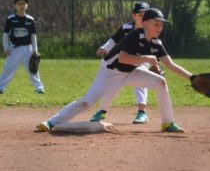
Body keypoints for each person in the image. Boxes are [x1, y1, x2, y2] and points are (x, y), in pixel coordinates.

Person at [36, 8, 195, 133]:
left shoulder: (156, 43)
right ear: (145, 23)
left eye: (161, 24)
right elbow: (123, 59)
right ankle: (51, 122)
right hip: (110, 72)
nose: (159, 27)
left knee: (160, 82)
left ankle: (168, 123)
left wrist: (192, 78)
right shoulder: (135, 35)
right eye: (156, 23)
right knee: (86, 102)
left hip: (130, 72)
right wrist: (146, 59)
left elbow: (171, 65)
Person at [90, 2, 151, 124]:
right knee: (113, 84)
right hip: (123, 61)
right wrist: (105, 47)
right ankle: (102, 111)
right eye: (140, 14)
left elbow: (154, 49)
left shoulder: (150, 30)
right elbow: (113, 40)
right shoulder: (126, 28)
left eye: (146, 14)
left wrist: (154, 64)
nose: (143, 16)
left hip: (141, 60)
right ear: (133, 15)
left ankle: (141, 113)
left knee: (141, 81)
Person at [0, 0, 45, 94]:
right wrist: (6, 47)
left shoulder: (30, 19)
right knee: (8, 69)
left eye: (24, 3)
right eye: (19, 3)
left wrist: (35, 49)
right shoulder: (11, 19)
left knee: (33, 69)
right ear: (15, 6)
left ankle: (39, 88)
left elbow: (33, 36)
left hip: (27, 49)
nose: (21, 6)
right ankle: (1, 87)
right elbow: (5, 35)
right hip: (14, 49)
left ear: (27, 6)